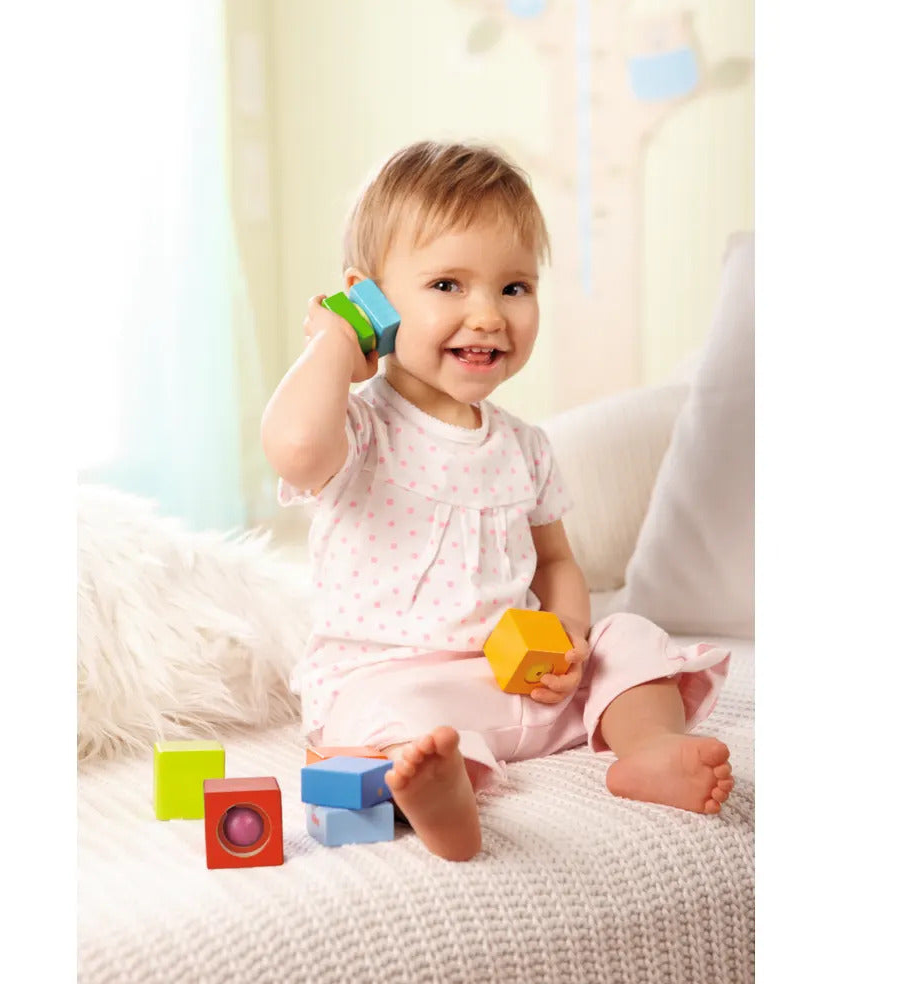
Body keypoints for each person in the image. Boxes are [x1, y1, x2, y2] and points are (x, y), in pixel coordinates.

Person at [261, 140, 733, 862]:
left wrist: (572, 637)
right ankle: (439, 792)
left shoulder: (525, 445)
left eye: (513, 288)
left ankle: (652, 749)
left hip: (518, 681)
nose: (487, 315)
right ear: (370, 299)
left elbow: (555, 562)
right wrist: (332, 343)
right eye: (448, 285)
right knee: (376, 726)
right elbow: (293, 448)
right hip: (399, 682)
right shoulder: (359, 426)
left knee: (630, 636)